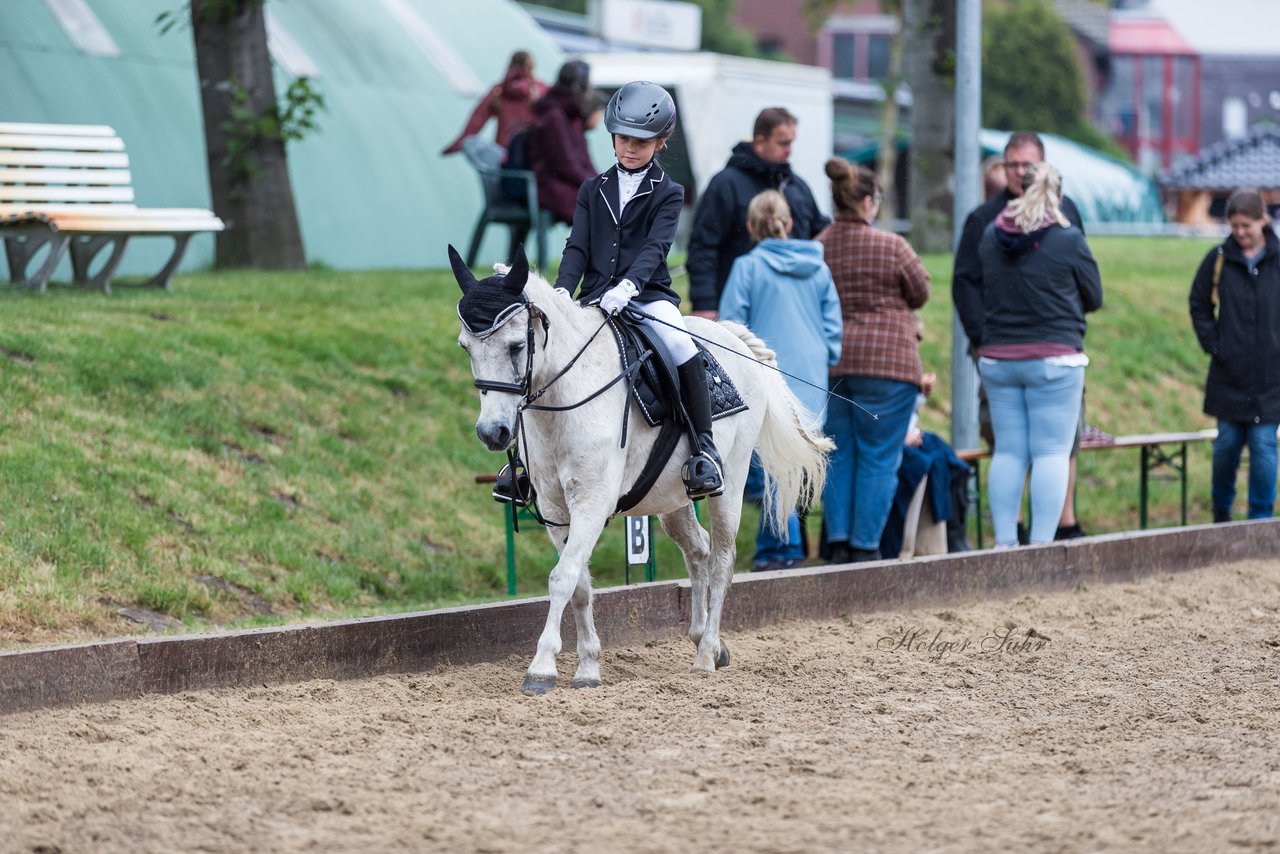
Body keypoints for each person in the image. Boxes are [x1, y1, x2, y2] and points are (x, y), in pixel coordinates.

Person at [554, 81, 725, 499]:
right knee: (544, 351)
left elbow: (656, 247)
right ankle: (525, 458)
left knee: (682, 345)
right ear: (613, 137)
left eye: (642, 142)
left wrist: (629, 285)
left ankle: (704, 447)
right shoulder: (591, 190)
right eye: (624, 139)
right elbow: (577, 246)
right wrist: (561, 292)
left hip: (647, 297)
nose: (630, 148)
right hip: (594, 296)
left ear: (660, 142)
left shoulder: (669, 193)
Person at [953, 131, 1090, 541]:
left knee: (1051, 446)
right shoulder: (984, 220)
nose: (1018, 173)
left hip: (1028, 348)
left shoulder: (1066, 214)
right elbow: (964, 283)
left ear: (1041, 167)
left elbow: (1079, 282)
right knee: (1020, 445)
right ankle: (1021, 536)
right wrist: (981, 338)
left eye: (1026, 165)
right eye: (1011, 164)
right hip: (1014, 350)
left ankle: (1051, 528)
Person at [977, 163, 1102, 548]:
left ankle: (1004, 544)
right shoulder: (1069, 238)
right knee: (1051, 451)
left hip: (998, 358)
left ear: (1020, 191)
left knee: (1009, 451)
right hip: (1055, 360)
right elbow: (1094, 296)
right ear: (1058, 195)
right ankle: (1043, 547)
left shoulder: (990, 233)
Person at [718, 189, 842, 570]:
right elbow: (832, 328)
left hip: (766, 377)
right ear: (789, 224)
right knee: (784, 468)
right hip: (812, 379)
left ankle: (781, 551)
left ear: (751, 227)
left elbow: (730, 327)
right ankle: (781, 548)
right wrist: (825, 359)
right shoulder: (819, 269)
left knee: (769, 468)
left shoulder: (747, 268)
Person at [818, 159, 931, 564]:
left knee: (839, 454)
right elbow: (920, 292)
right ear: (868, 202)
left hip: (833, 365)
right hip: (890, 367)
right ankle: (866, 549)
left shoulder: (819, 246)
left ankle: (839, 545)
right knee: (880, 458)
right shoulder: (893, 246)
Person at [687, 108, 832, 318]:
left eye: (792, 143)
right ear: (761, 141)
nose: (789, 150)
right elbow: (703, 247)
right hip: (738, 307)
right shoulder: (726, 185)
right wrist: (705, 303)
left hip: (793, 307)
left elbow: (820, 234)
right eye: (783, 143)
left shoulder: (797, 187)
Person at [1189, 188, 1280, 522]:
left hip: (1271, 377)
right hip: (1229, 374)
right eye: (1234, 226)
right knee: (1226, 446)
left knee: (1264, 448)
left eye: (1247, 225)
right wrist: (1214, 344)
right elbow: (1199, 303)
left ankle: (1260, 519)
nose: (1240, 233)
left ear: (1262, 220)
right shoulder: (1218, 259)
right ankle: (1222, 514)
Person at [528, 60, 597, 227]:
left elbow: (584, 161)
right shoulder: (554, 116)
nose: (591, 89)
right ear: (580, 86)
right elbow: (565, 165)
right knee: (603, 210)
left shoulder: (571, 115)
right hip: (549, 188)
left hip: (565, 184)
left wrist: (603, 183)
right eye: (588, 83)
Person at [441, 51, 547, 156]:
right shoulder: (542, 90)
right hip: (532, 154)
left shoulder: (499, 91)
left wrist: (459, 143)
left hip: (504, 153)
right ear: (531, 67)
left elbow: (477, 120)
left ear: (510, 65)